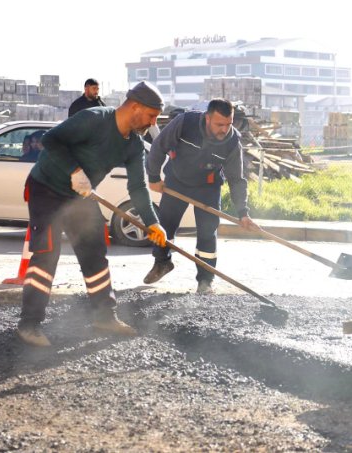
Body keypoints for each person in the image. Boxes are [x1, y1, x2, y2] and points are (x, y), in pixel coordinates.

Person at [16, 81, 169, 347]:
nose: (152, 123)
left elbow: (138, 187)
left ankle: (104, 316)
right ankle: (29, 324)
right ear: (135, 107)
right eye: (151, 116)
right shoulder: (94, 118)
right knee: (46, 254)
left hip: (80, 196)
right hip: (46, 189)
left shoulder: (133, 145)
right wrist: (75, 170)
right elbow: (50, 139)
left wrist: (153, 223)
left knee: (94, 251)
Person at [143, 98, 258, 294]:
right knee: (165, 225)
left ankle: (205, 281)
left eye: (228, 124)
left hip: (208, 187)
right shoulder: (185, 123)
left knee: (207, 233)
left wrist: (243, 212)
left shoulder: (232, 142)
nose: (224, 129)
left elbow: (236, 179)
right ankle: (162, 263)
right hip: (177, 181)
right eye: (219, 124)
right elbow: (159, 146)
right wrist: (154, 177)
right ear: (207, 118)